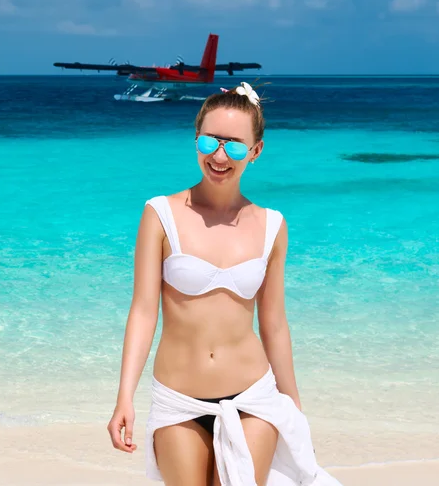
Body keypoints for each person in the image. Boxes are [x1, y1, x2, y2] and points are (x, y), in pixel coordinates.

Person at [108, 83, 342, 486]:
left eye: (234, 146)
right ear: (195, 139)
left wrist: (295, 408)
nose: (219, 156)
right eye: (209, 141)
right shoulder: (160, 214)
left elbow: (274, 325)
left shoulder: (272, 225)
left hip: (254, 396)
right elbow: (144, 312)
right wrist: (124, 396)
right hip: (178, 400)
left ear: (256, 151)